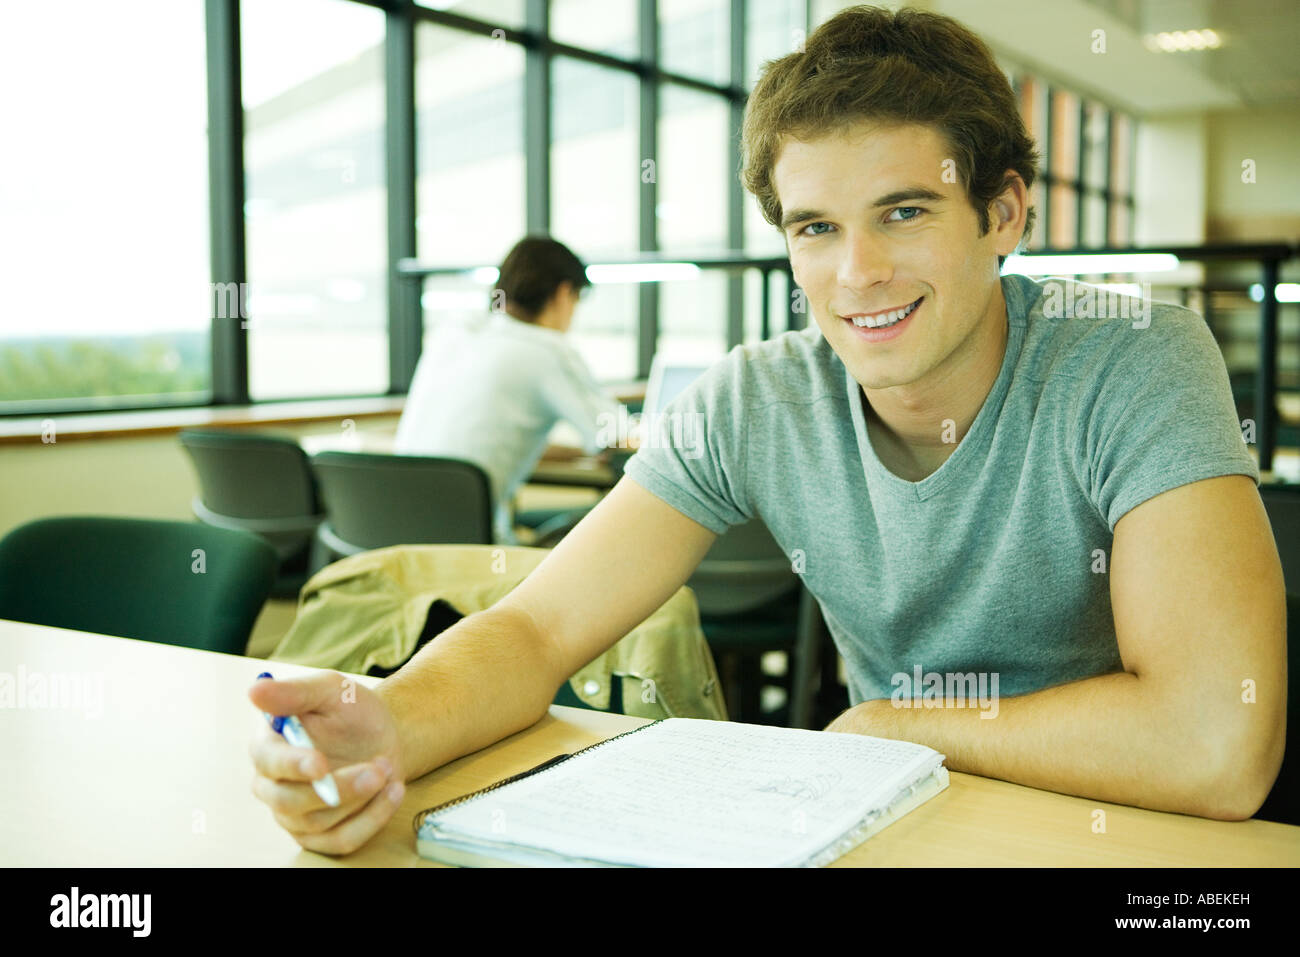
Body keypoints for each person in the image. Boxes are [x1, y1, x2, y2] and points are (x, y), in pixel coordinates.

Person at [250, 5, 1286, 854]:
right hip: (903, 824)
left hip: (1141, 846)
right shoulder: (757, 399)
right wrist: (387, 722)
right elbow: (536, 631)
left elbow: (1213, 743)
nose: (857, 274)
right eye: (815, 228)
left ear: (1003, 213)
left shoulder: (1133, 357)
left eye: (905, 212)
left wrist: (893, 725)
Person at [392, 235, 624, 544]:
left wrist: (576, 452)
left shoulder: (453, 332)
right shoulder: (546, 349)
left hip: (396, 544)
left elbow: (484, 437)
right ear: (564, 292)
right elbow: (616, 436)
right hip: (472, 554)